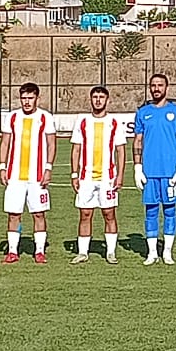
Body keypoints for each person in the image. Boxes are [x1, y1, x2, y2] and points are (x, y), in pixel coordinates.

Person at [131, 73, 176, 265]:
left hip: (170, 172)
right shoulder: (143, 113)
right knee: (151, 212)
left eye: (160, 85)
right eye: (153, 85)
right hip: (149, 172)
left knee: (170, 211)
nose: (156, 88)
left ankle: (167, 252)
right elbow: (137, 141)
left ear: (166, 87)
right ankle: (152, 253)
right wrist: (137, 167)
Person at [0, 81, 54, 263]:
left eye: (30, 98)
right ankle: (12, 251)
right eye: (24, 98)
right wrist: (2, 166)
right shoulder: (12, 117)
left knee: (38, 213)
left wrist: (48, 168)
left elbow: (51, 144)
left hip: (37, 176)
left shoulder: (45, 117)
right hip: (15, 176)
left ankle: (39, 251)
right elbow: (5, 143)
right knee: (13, 214)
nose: (27, 102)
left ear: (37, 98)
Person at [71, 85, 123, 263]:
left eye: (101, 97)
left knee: (109, 213)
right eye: (95, 97)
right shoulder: (83, 121)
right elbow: (76, 149)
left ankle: (110, 252)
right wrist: (74, 174)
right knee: (85, 214)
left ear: (107, 100)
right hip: (86, 178)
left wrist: (120, 175)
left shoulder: (114, 122)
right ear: (90, 100)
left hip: (108, 178)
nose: (98, 100)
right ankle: (83, 252)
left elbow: (120, 150)